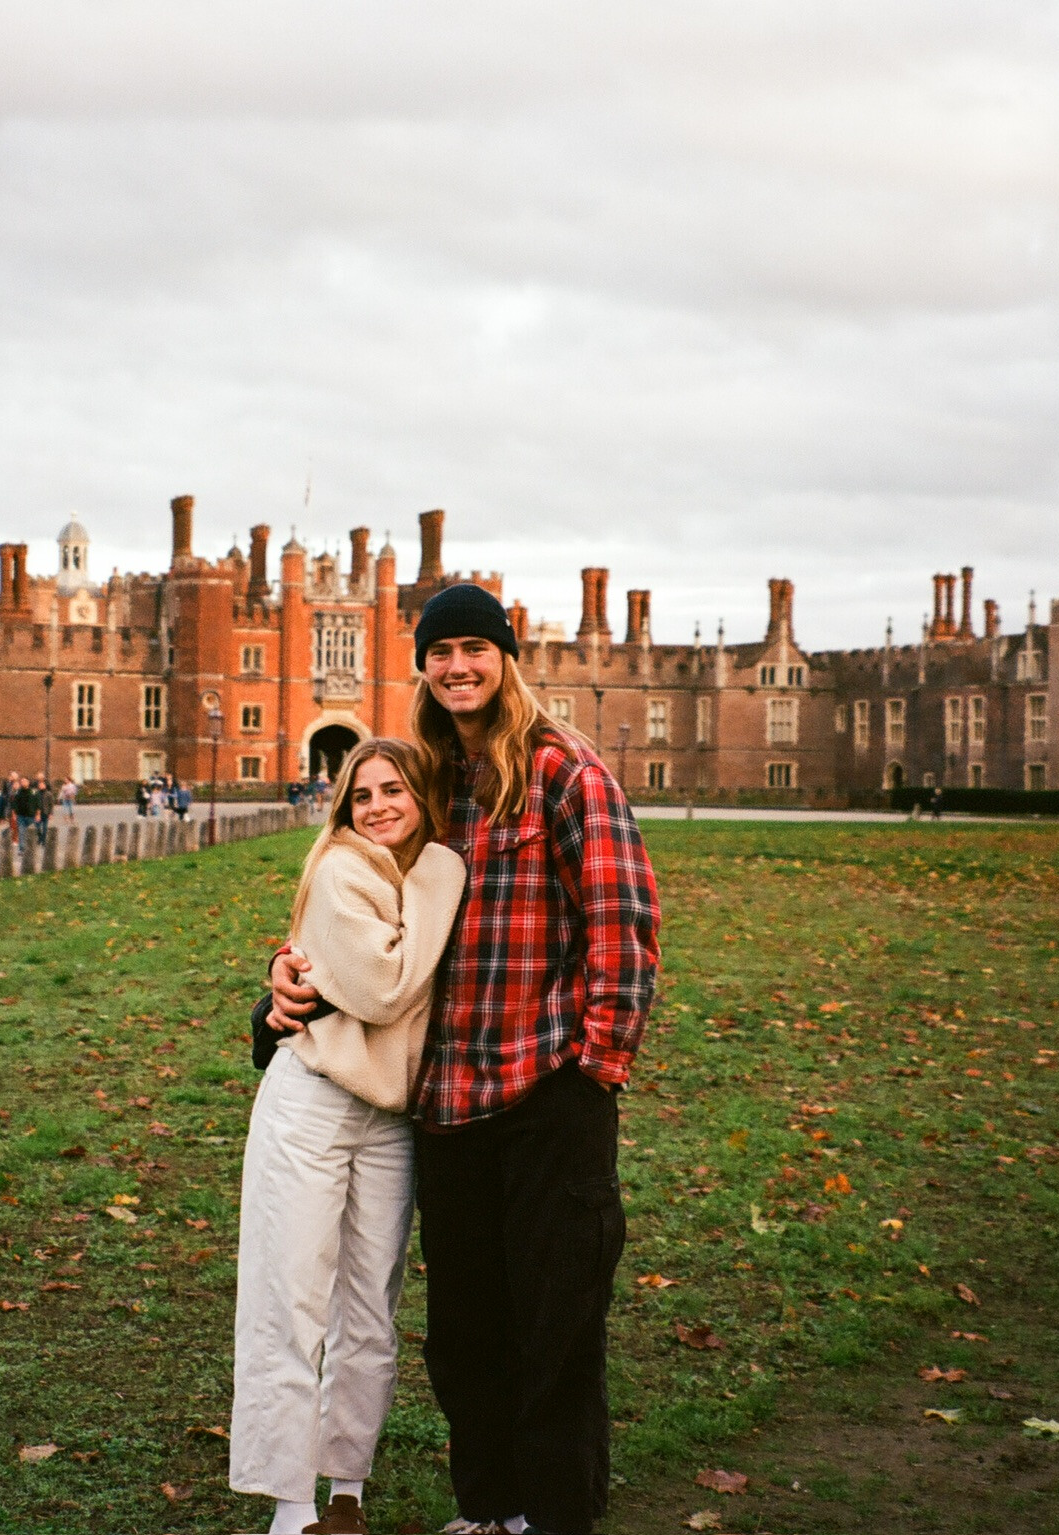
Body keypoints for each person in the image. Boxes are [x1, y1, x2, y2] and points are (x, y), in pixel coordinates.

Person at [271, 583, 659, 1535]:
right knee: (466, 1331)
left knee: (556, 1324)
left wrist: (597, 1067)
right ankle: (491, 1509)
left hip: (545, 1088)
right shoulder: (428, 780)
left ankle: (555, 1517)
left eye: (475, 648)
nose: (457, 667)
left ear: (505, 658)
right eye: (440, 652)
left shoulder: (565, 770)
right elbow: (364, 912)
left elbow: (622, 923)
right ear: (424, 668)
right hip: (444, 1098)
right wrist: (284, 980)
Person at [230, 740, 465, 1535]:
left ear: (421, 796)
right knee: (291, 1297)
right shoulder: (342, 869)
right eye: (361, 795)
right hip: (315, 1100)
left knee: (370, 1309)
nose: (377, 807)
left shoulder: (413, 874)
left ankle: (346, 1489)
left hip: (390, 1117)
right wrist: (441, 870)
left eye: (393, 790)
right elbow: (385, 986)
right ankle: (290, 1503)